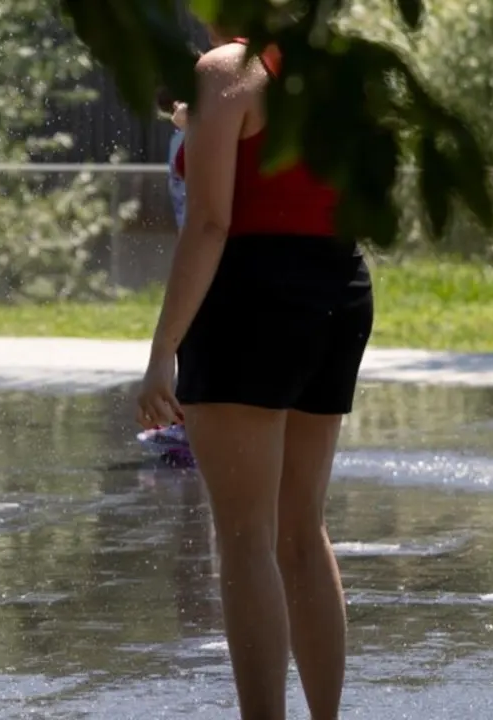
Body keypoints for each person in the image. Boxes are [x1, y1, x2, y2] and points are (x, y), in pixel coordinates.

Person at [134, 31, 374, 720]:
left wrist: (161, 354)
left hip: (251, 296)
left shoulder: (226, 70)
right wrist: (193, 118)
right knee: (302, 531)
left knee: (245, 540)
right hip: (338, 286)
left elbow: (209, 223)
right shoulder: (332, 67)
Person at [136, 89, 194, 467]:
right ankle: (188, 422)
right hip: (195, 243)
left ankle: (193, 427)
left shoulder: (196, 130)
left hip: (211, 246)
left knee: (195, 337)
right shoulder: (181, 133)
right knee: (191, 337)